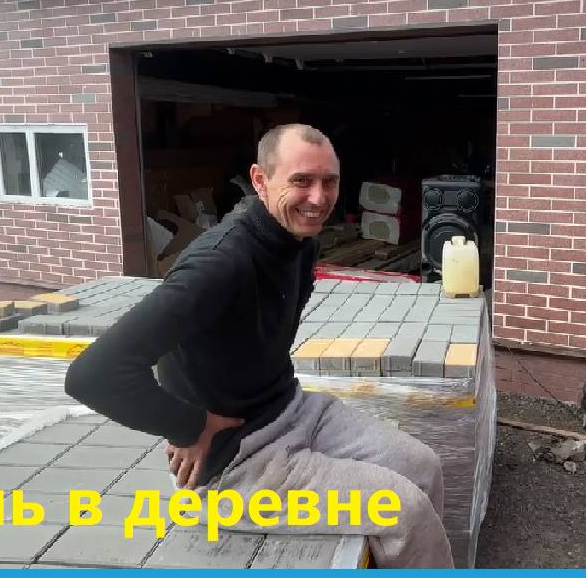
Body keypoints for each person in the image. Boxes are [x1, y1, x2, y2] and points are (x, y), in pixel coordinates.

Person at [64, 123, 453, 568]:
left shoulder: (299, 241)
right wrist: (189, 425)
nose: (318, 198)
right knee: (403, 510)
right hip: (235, 462)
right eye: (301, 180)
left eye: (329, 181)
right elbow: (93, 374)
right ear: (260, 180)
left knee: (424, 465)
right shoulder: (219, 264)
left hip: (292, 411)